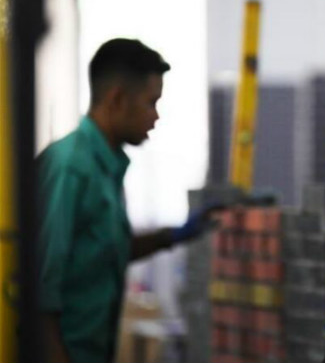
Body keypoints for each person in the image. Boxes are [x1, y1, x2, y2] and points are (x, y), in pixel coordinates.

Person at [37, 38, 217, 363]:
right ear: (117, 99)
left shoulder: (106, 167)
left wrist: (171, 236)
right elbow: (39, 286)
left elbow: (102, 253)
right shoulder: (70, 167)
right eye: (151, 102)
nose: (156, 116)